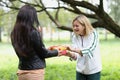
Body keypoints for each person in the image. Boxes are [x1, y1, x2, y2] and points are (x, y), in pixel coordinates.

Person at [10, 5, 61, 80]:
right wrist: (57, 52)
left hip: (22, 72)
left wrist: (46, 49)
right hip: (34, 73)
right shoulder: (33, 32)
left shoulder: (14, 33)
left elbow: (31, 51)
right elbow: (44, 53)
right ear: (31, 17)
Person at [65, 14, 102, 80]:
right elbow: (77, 55)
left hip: (93, 70)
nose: (74, 28)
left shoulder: (93, 33)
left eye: (77, 26)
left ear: (84, 25)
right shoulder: (74, 36)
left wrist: (73, 49)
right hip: (80, 71)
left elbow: (90, 50)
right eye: (73, 26)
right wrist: (69, 54)